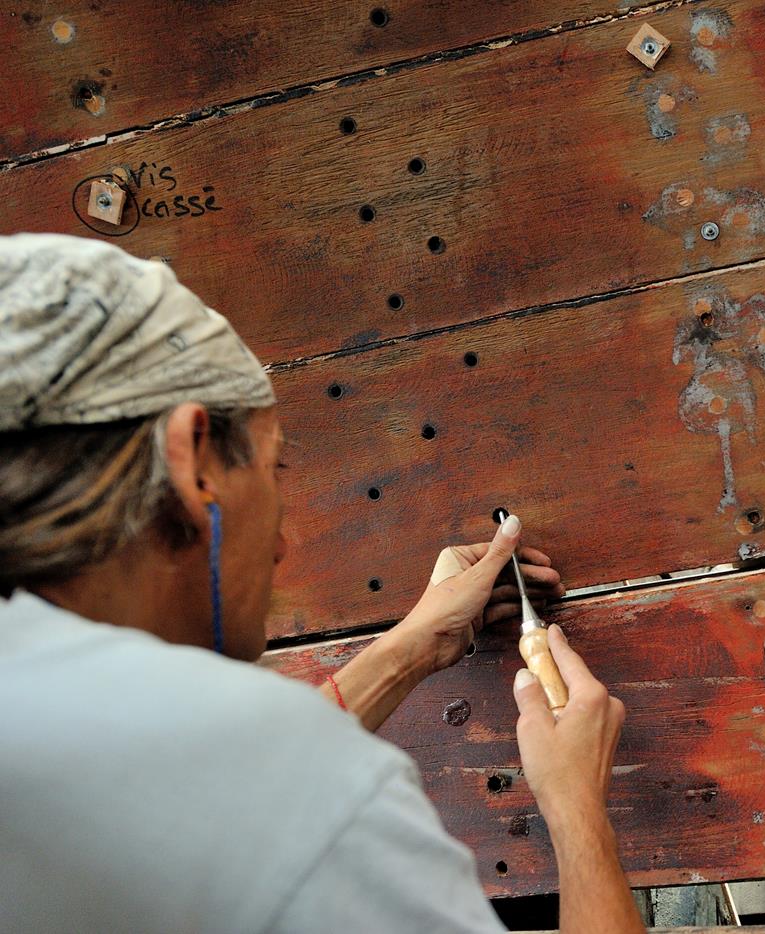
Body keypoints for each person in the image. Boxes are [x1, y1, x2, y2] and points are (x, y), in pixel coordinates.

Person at [0, 233, 644, 933]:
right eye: (272, 470)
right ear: (194, 463)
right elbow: (266, 789)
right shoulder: (322, 802)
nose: (281, 543)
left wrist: (411, 648)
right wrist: (578, 811)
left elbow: (225, 789)